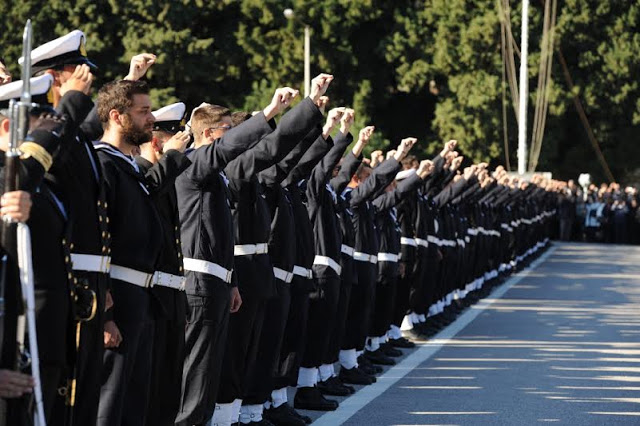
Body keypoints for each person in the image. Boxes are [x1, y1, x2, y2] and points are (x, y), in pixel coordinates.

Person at [94, 79, 165, 426]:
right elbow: (96, 237)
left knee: (135, 397)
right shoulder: (103, 164)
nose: (151, 118)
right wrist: (104, 312)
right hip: (117, 295)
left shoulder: (127, 166)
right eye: (143, 111)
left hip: (139, 294)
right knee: (111, 395)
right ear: (117, 116)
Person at [136, 101, 192, 426]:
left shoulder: (164, 177)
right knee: (151, 384)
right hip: (151, 294)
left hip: (170, 293)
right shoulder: (142, 173)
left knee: (169, 382)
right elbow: (147, 193)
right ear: (159, 143)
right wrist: (171, 158)